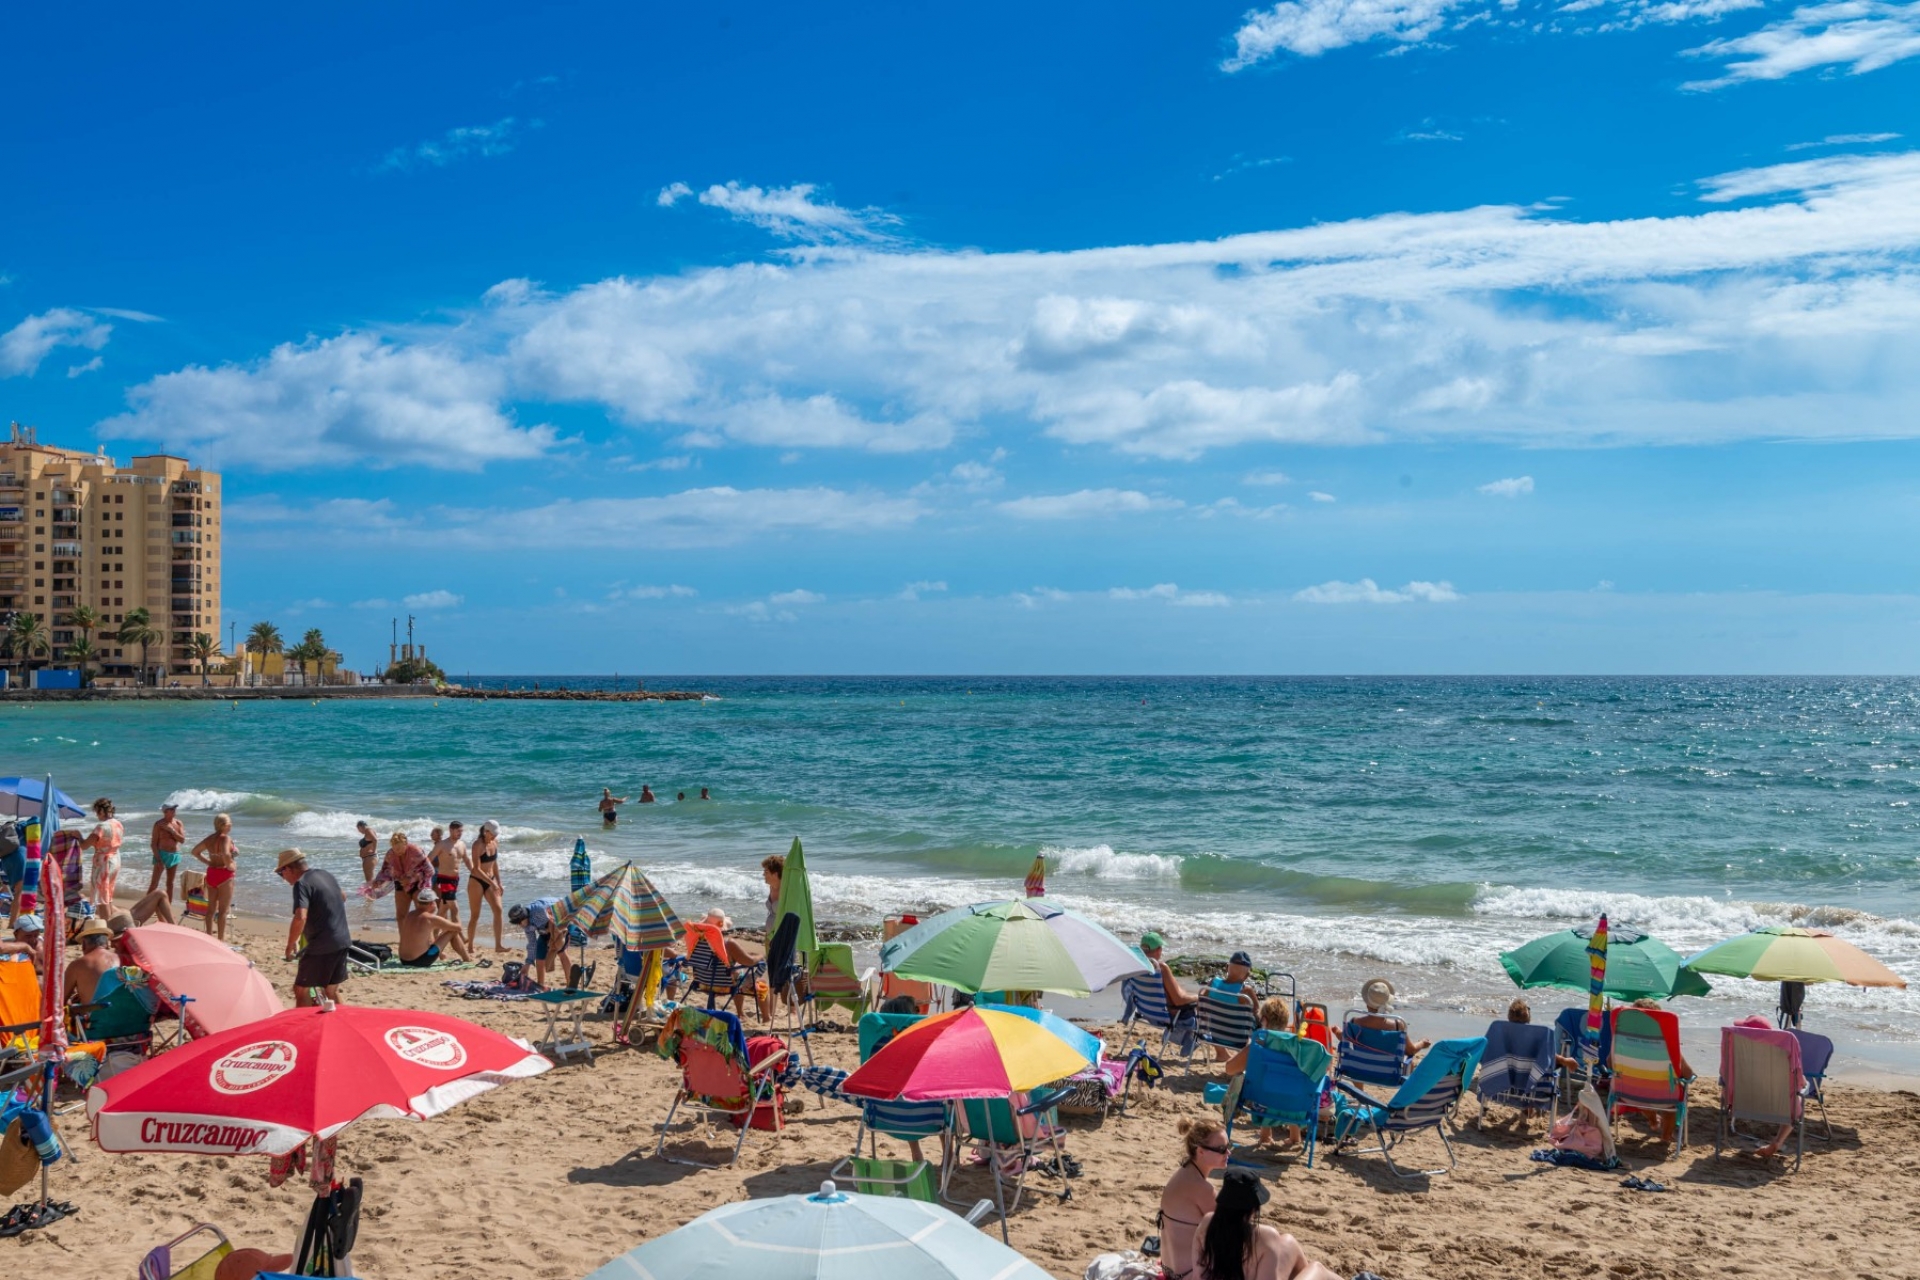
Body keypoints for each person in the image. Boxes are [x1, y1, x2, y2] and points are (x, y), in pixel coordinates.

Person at [1193, 1169, 1342, 1280]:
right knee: (1317, 1268)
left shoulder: (1207, 1222)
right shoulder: (1264, 1236)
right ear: (1252, 1209)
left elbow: (1197, 1275)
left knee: (1288, 1242)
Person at [277, 848, 351, 1008]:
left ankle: (305, 1030)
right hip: (342, 940)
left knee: (301, 990)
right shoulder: (325, 875)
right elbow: (343, 896)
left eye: (280, 873)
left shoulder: (301, 884)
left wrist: (291, 943)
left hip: (321, 945)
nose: (283, 878)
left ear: (288, 869)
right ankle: (342, 1025)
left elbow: (300, 916)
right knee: (330, 990)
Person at [1159, 1117, 1229, 1280]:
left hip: (1170, 1270)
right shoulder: (1202, 1189)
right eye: (1221, 1149)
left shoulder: (1182, 1174)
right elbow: (1231, 1233)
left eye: (1228, 1147)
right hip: (1189, 1275)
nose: (1228, 1153)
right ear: (1200, 1151)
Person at [1348, 977, 1430, 1057]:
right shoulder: (1397, 1026)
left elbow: (1345, 1039)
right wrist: (1422, 1043)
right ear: (1387, 1003)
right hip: (1388, 1070)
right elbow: (1410, 1051)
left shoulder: (1355, 1022)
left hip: (1358, 1068)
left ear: (1367, 1003)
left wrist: (1337, 1032)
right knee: (1410, 1061)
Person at [188, 814, 239, 941]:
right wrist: (230, 865)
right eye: (229, 824)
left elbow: (195, 851)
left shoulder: (210, 839)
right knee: (223, 911)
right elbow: (226, 854)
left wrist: (208, 862)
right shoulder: (225, 838)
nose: (231, 825)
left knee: (210, 909)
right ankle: (220, 940)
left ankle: (209, 937)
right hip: (224, 874)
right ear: (225, 825)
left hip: (212, 874)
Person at [368, 831, 431, 929]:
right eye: (395, 849)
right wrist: (378, 881)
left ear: (406, 844)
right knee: (401, 916)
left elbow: (430, 871)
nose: (397, 852)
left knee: (421, 916)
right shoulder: (390, 854)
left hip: (418, 883)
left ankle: (427, 942)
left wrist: (411, 879)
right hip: (400, 883)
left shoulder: (416, 851)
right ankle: (404, 941)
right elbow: (385, 871)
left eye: (400, 849)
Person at [398, 890, 475, 966]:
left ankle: (465, 958)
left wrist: (440, 953)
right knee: (452, 931)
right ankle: (467, 959)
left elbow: (428, 941)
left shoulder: (410, 915)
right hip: (420, 961)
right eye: (435, 902)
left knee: (447, 931)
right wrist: (454, 909)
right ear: (432, 903)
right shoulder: (430, 918)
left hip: (404, 960)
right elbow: (458, 927)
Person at [465, 819, 506, 952]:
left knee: (498, 910)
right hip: (476, 881)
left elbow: (494, 864)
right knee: (475, 915)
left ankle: (498, 945)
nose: (495, 836)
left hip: (491, 881)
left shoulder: (495, 842)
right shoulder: (477, 845)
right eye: (493, 833)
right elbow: (476, 869)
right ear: (485, 831)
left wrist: (499, 882)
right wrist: (492, 883)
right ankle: (470, 946)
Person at [509, 895, 566, 988]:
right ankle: (541, 985)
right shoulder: (527, 926)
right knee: (539, 955)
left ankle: (571, 984)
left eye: (520, 922)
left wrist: (553, 938)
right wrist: (527, 964)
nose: (520, 925)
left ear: (525, 916)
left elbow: (556, 917)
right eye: (517, 923)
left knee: (562, 953)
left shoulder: (540, 911)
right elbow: (532, 944)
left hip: (561, 920)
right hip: (545, 930)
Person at [82, 796, 124, 916]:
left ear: (101, 811)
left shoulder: (101, 827)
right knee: (108, 893)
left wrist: (78, 836)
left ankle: (106, 924)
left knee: (102, 897)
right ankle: (110, 920)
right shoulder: (118, 824)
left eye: (97, 812)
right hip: (115, 859)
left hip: (104, 862)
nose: (97, 816)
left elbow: (84, 845)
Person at [64, 916, 118, 1007]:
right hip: (121, 1014)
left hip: (95, 1017)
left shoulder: (77, 965)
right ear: (107, 943)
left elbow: (61, 999)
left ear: (84, 944)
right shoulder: (119, 958)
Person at [1140, 931, 1200, 1011]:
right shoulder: (1161, 968)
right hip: (1169, 1017)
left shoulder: (1137, 966)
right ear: (1159, 950)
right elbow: (1179, 1000)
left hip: (1146, 1011)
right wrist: (1199, 997)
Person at [147, 801, 186, 900]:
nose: (174, 811)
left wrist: (171, 830)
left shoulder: (178, 823)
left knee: (170, 884)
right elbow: (153, 844)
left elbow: (182, 840)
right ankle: (143, 907)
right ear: (165, 812)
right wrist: (158, 859)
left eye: (174, 809)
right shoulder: (159, 824)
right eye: (172, 809)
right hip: (161, 854)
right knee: (154, 883)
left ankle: (167, 908)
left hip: (174, 855)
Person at [431, 822, 467, 921]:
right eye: (458, 831)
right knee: (455, 909)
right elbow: (428, 859)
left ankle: (434, 934)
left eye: (461, 831)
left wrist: (475, 873)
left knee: (442, 910)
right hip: (444, 880)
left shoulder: (462, 844)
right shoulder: (442, 844)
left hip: (455, 880)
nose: (460, 833)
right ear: (451, 830)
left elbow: (467, 861)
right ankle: (457, 934)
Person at [761, 853, 785, 932]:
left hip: (782, 934)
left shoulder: (785, 890)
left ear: (775, 874)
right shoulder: (771, 887)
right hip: (770, 934)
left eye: (766, 872)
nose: (763, 874)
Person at [355, 820, 378, 884]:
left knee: (369, 880)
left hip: (370, 857)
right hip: (368, 858)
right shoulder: (368, 832)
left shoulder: (368, 830)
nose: (359, 831)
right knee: (369, 879)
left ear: (360, 827)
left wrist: (374, 850)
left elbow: (375, 839)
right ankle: (372, 893)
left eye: (358, 829)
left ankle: (373, 893)